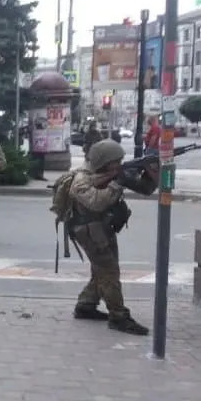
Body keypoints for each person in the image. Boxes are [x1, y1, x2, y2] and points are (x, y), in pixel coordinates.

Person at [69, 139, 157, 335]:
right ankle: (118, 317)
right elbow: (96, 202)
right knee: (109, 271)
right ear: (103, 162)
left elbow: (146, 189)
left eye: (120, 161)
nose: (119, 164)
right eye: (115, 162)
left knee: (102, 269)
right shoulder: (81, 179)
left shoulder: (113, 173)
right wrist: (118, 182)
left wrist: (150, 172)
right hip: (88, 230)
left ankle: (86, 304)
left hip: (103, 226)